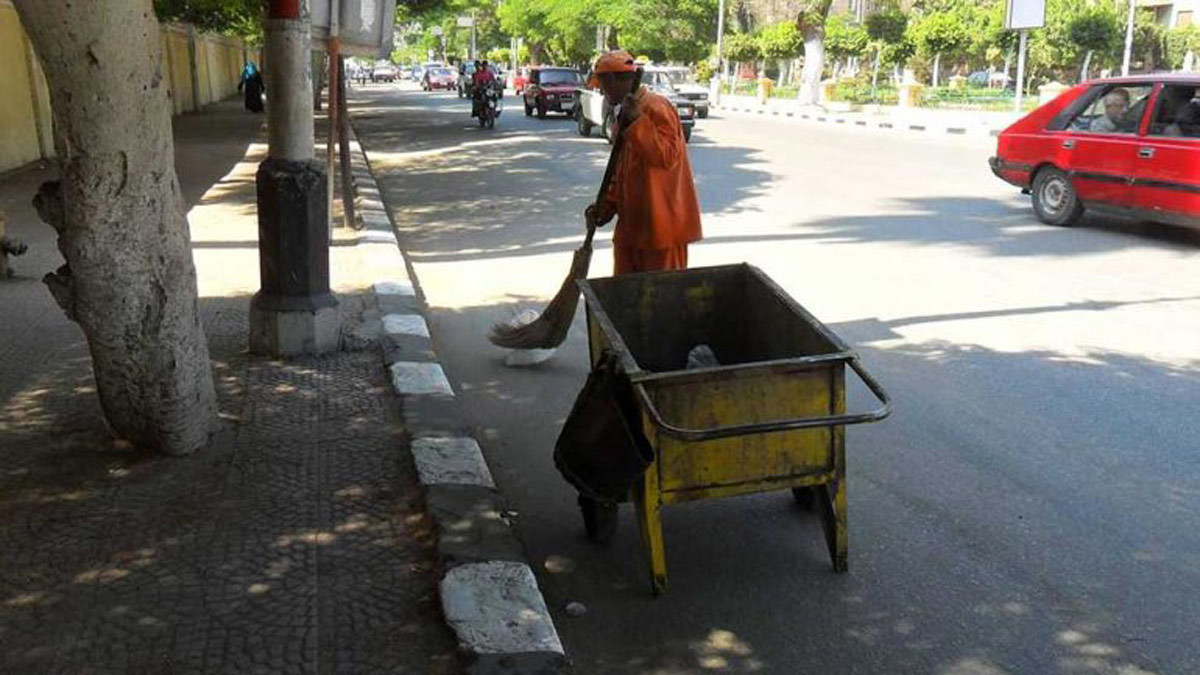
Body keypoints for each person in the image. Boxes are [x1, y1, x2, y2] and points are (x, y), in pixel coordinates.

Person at [584, 50, 702, 275]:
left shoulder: (656, 107)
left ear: (614, 80)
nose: (600, 90)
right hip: (632, 229)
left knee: (661, 299)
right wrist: (606, 206)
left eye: (602, 84)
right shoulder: (624, 115)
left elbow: (666, 157)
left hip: (662, 230)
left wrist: (639, 120)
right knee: (627, 297)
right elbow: (621, 171)